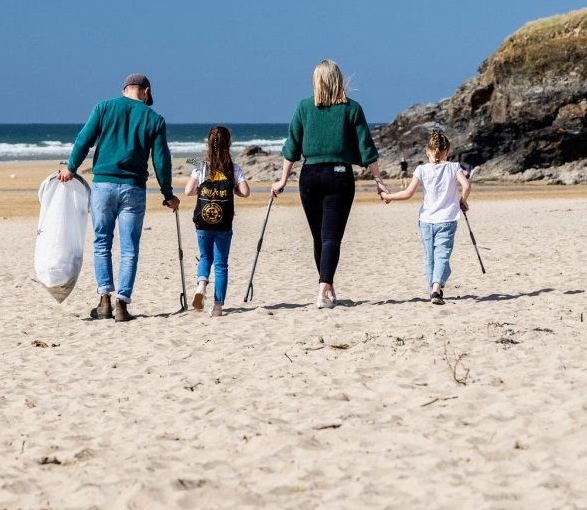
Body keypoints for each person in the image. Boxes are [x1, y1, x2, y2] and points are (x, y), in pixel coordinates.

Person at [58, 73, 179, 322]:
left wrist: (71, 168)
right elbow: (161, 161)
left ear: (124, 89)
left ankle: (104, 301)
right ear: (146, 91)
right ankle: (122, 304)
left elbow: (84, 140)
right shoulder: (154, 118)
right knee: (129, 248)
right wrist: (168, 194)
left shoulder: (104, 107)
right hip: (133, 188)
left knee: (102, 242)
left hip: (102, 184)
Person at [271, 60, 386, 309]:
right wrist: (379, 181)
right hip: (339, 175)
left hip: (310, 176)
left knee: (319, 237)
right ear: (339, 79)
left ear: (316, 81)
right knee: (331, 237)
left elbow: (291, 148)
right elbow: (367, 148)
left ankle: (327, 286)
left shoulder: (303, 107)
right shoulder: (351, 109)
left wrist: (283, 180)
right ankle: (324, 288)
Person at [380, 131, 472, 305]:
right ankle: (436, 289)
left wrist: (389, 197)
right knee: (442, 255)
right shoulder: (453, 167)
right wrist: (462, 201)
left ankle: (434, 290)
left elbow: (408, 193)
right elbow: (466, 185)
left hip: (426, 221)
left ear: (427, 151)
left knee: (430, 257)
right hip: (447, 219)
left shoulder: (421, 169)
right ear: (448, 151)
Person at [184, 126, 250, 317]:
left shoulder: (201, 166)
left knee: (205, 257)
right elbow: (245, 192)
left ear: (208, 144)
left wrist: (201, 191)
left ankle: (201, 285)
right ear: (229, 144)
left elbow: (188, 191)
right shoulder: (233, 168)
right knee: (221, 264)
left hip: (203, 222)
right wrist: (234, 190)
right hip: (223, 224)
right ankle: (218, 307)